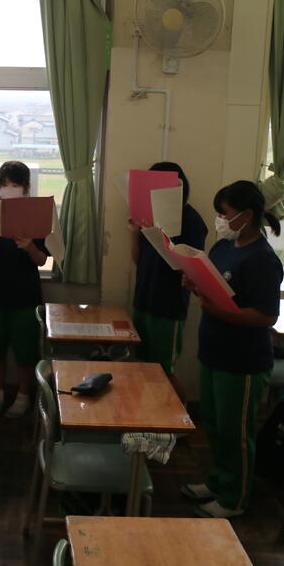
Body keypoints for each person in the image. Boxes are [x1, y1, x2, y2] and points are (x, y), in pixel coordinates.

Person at [181, 180, 283, 519]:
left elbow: (265, 316)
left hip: (243, 360)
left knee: (235, 431)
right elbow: (214, 290)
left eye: (224, 214)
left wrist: (218, 311)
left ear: (246, 215)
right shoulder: (224, 246)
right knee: (213, 424)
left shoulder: (262, 259)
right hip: (214, 350)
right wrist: (194, 284)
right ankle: (218, 482)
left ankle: (234, 499)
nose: (220, 220)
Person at [0, 161, 50, 419]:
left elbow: (41, 260)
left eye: (15, 185)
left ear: (26, 188)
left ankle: (23, 397)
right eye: (4, 184)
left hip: (26, 296)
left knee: (26, 352)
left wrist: (29, 247)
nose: (9, 189)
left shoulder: (35, 217)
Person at [127, 161, 208, 403]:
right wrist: (135, 235)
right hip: (143, 300)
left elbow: (191, 268)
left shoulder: (191, 220)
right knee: (144, 366)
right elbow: (139, 261)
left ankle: (183, 417)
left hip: (168, 306)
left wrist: (163, 238)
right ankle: (152, 415)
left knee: (163, 371)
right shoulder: (149, 216)